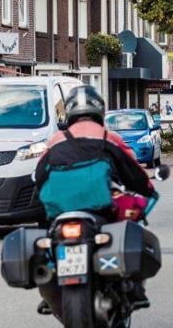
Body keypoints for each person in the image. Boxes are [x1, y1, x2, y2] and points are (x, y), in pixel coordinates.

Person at [33, 86, 157, 311]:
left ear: (68, 114)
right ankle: (133, 288)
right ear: (100, 111)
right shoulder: (109, 138)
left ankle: (51, 291)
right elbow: (134, 172)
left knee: (49, 244)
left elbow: (39, 175)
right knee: (126, 232)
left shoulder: (54, 141)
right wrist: (148, 189)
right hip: (98, 209)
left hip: (60, 214)